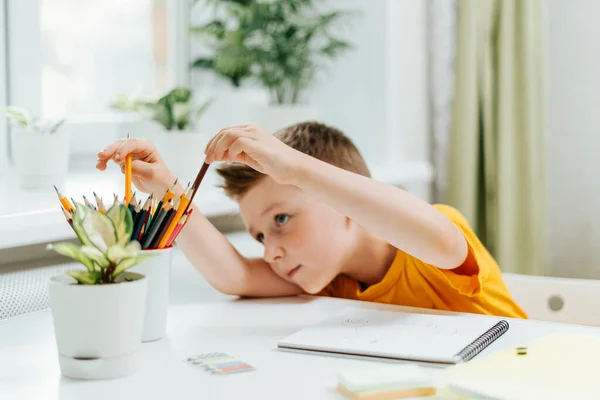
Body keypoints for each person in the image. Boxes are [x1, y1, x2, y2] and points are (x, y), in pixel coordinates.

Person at [97, 121, 527, 318]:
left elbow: (432, 236)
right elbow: (236, 276)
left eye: (281, 218)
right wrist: (166, 186)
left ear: (342, 201)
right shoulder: (329, 276)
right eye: (260, 235)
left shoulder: (431, 238)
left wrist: (295, 167)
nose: (270, 250)